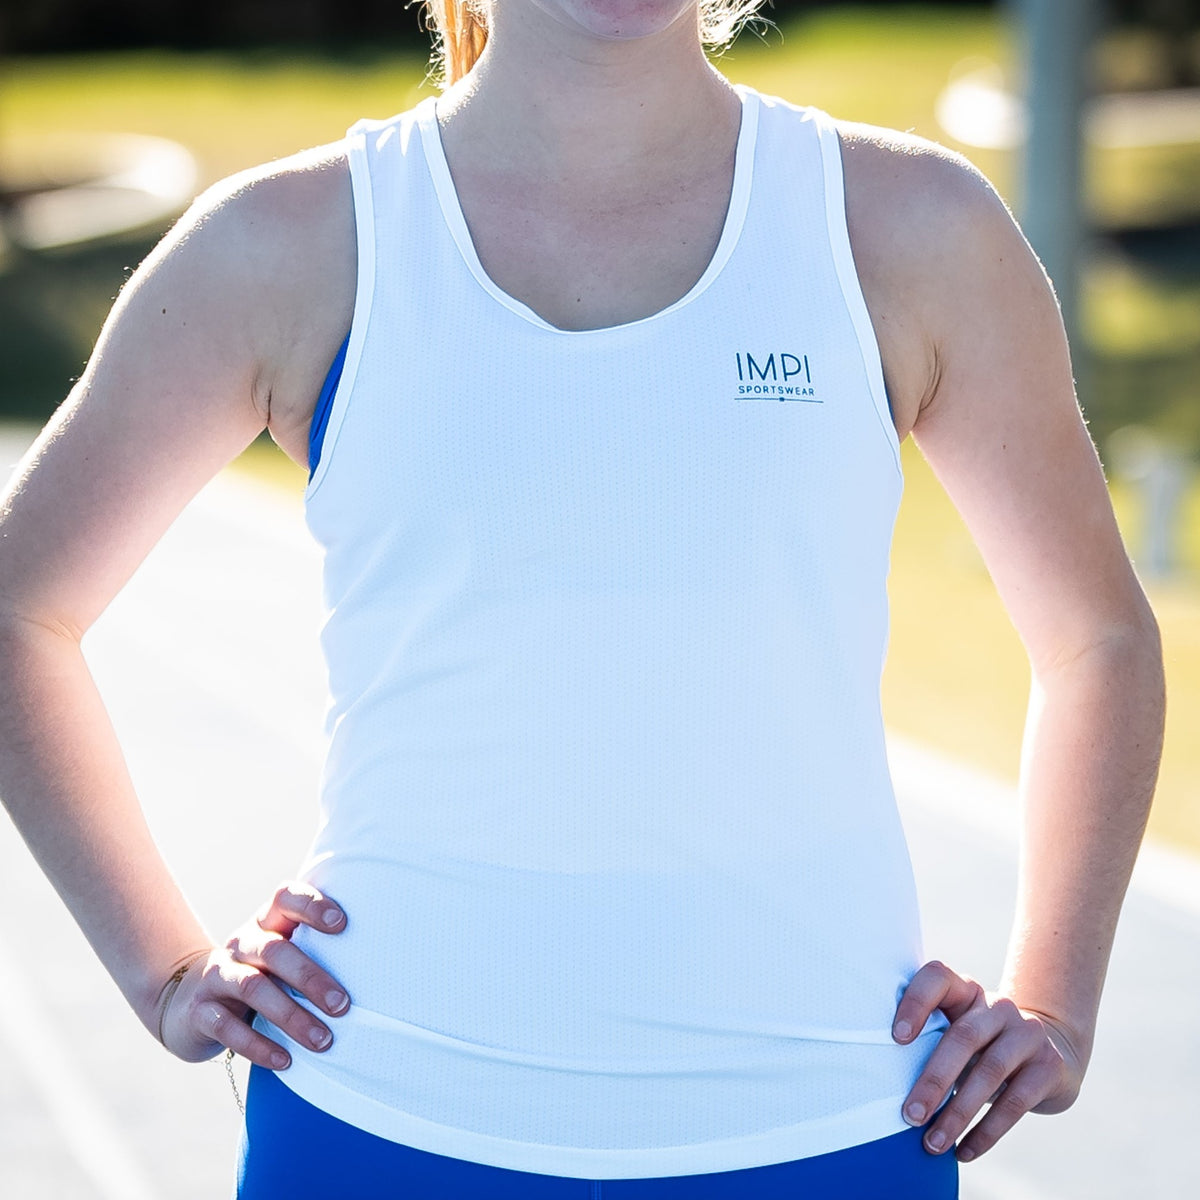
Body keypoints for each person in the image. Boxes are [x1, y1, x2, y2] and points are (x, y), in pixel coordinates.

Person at [0, 1, 1165, 1197]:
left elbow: (1098, 639)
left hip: (822, 1127)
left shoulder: (907, 228)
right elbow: (19, 612)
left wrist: (1055, 1003)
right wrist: (165, 974)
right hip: (386, 1124)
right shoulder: (294, 243)